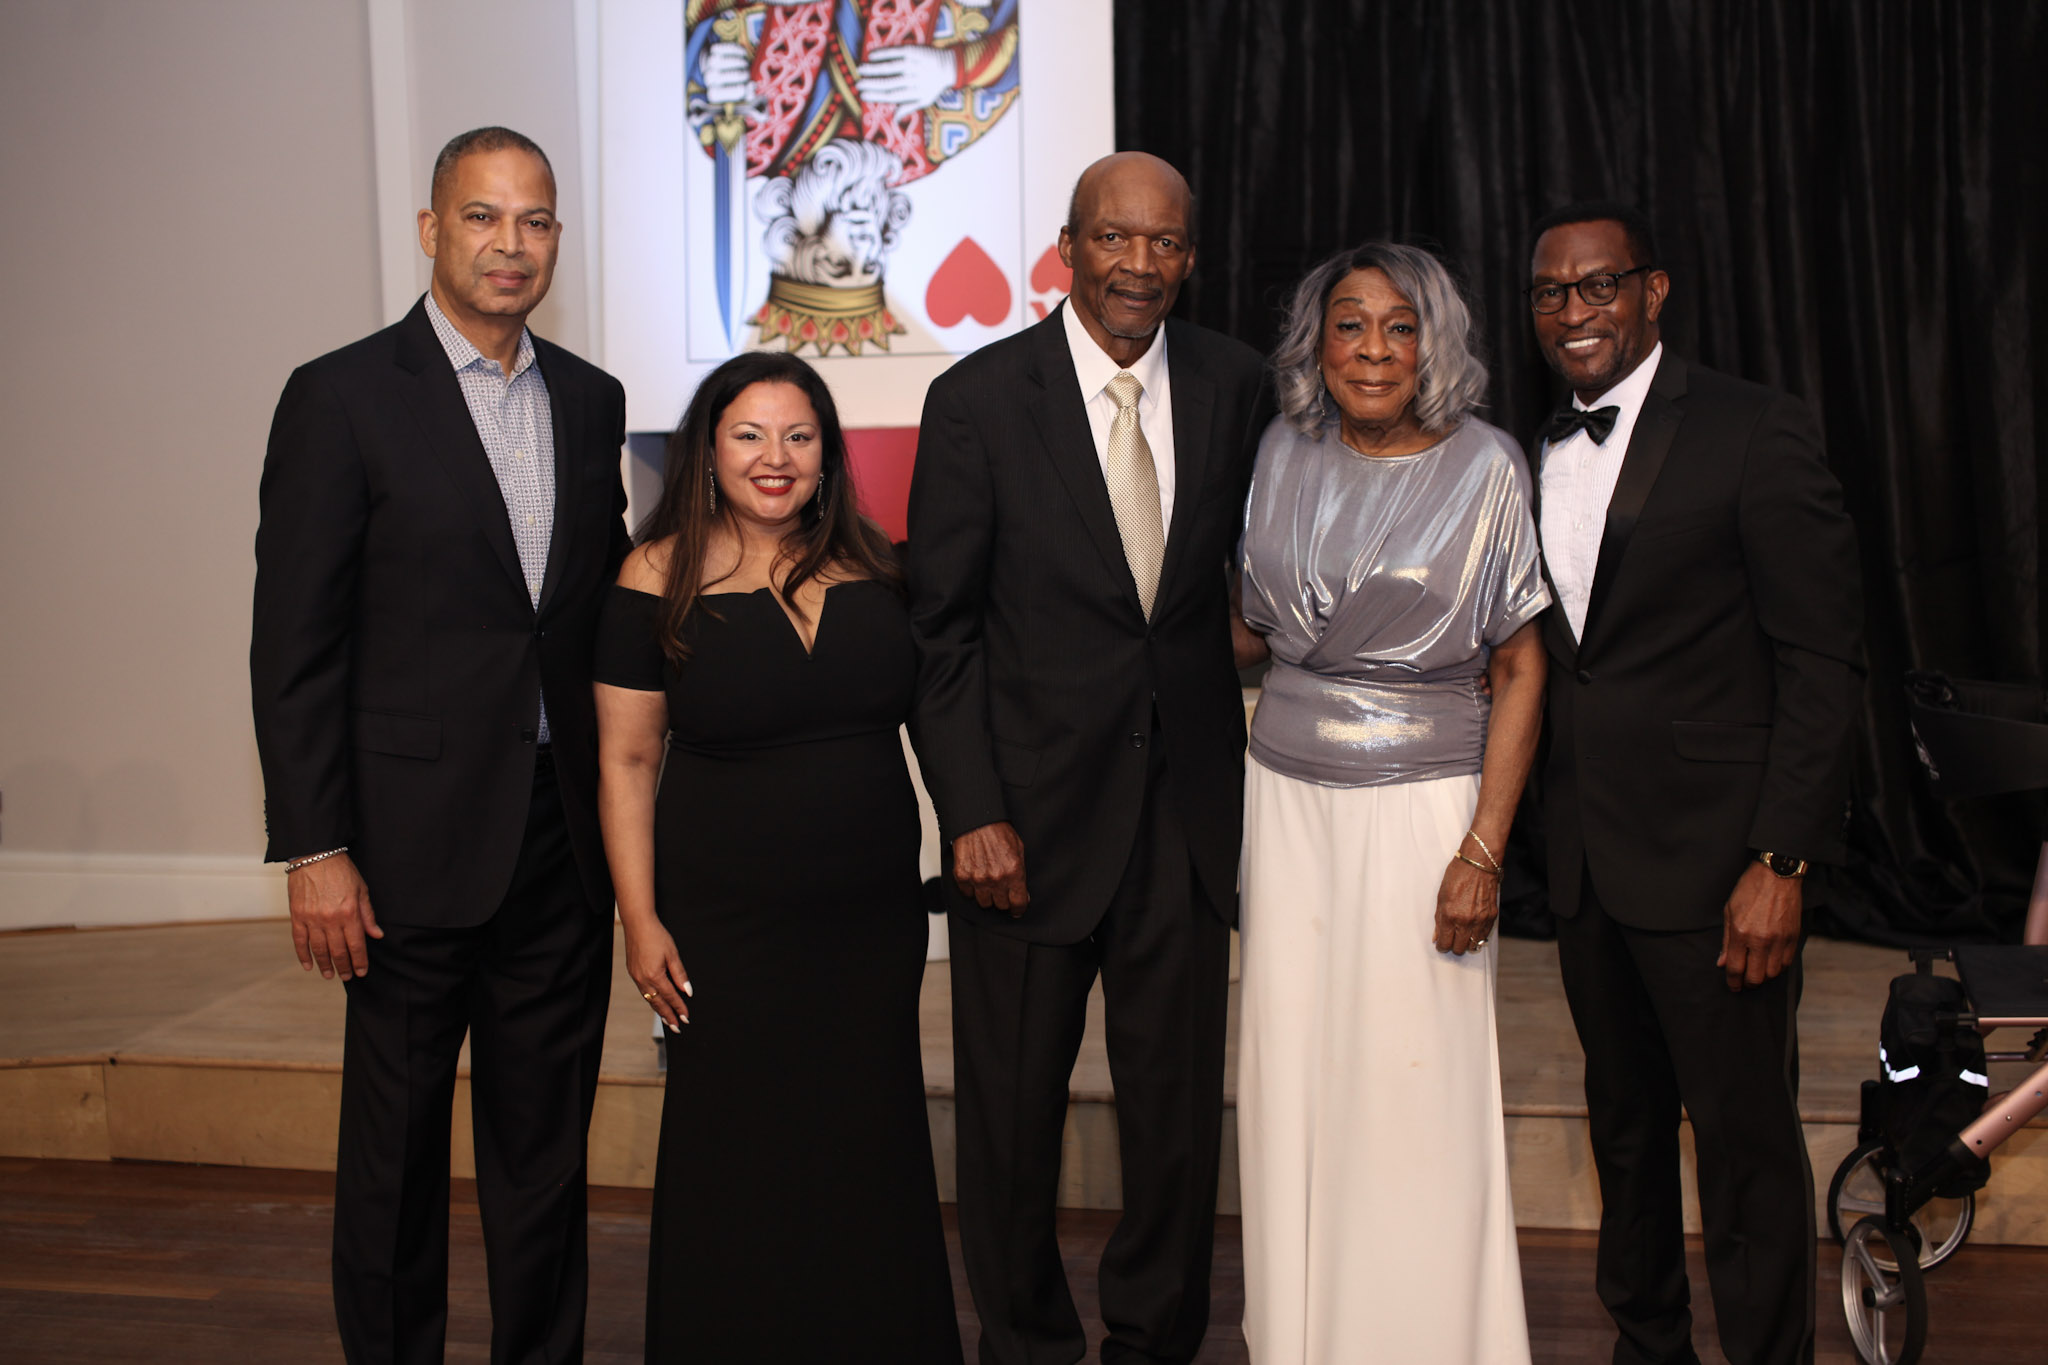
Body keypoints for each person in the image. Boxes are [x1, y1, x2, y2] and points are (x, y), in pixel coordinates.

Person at [250, 127, 628, 1362]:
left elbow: (597, 605)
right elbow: (294, 643)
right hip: (402, 856)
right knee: (395, 1164)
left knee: (544, 1160)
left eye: (534, 221)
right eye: (481, 216)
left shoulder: (591, 401)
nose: (510, 244)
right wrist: (315, 848)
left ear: (556, 241)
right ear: (430, 230)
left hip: (556, 845)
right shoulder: (341, 397)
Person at [907, 151, 1269, 1365]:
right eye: (1114, 237)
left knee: (1175, 1123)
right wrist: (970, 811)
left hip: (1182, 821)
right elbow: (941, 633)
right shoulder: (976, 402)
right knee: (1009, 1121)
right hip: (1021, 826)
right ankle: (1024, 1345)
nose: (1138, 264)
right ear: (1067, 248)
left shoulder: (1235, 385)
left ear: (1189, 257)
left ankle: (1152, 1342)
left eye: (1163, 242)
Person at [1525, 202, 1863, 1365]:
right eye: (1550, 292)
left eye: (1597, 284)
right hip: (1584, 864)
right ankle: (1645, 1345)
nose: (1573, 311)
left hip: (1721, 867)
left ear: (1651, 289)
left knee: (1742, 1147)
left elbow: (1821, 664)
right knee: (1621, 1134)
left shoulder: (1752, 428)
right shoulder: (1528, 447)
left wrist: (1780, 859)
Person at [593, 351, 961, 1364]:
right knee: (734, 1145)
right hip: (725, 923)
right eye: (749, 435)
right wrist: (639, 919)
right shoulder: (652, 575)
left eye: (798, 436)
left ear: (826, 453)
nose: (775, 457)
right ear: (708, 450)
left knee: (867, 1137)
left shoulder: (880, 567)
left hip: (869, 922)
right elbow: (626, 761)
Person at [1234, 242, 1550, 1363]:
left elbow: (1520, 667)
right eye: (1350, 324)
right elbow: (1250, 630)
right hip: (1282, 804)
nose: (1373, 349)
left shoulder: (1487, 466)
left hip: (1424, 810)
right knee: (1293, 1079)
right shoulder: (1282, 448)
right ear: (1315, 343)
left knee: (1416, 1089)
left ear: (1434, 343)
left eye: (1399, 326)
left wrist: (1481, 849)